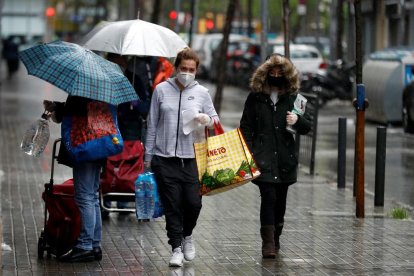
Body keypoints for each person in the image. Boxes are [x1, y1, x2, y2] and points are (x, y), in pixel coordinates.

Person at [144, 48, 219, 267]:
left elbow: (215, 120)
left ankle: (187, 235)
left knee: (194, 203)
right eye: (183, 68)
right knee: (172, 205)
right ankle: (176, 248)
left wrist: (206, 119)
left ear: (196, 70)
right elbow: (151, 125)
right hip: (164, 158)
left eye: (191, 69)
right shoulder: (161, 90)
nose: (187, 73)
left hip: (193, 158)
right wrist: (147, 158)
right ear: (176, 68)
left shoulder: (202, 92)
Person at [239, 54, 311, 258]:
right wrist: (251, 152)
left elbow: (307, 127)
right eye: (273, 73)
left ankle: (277, 236)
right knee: (268, 197)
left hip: (285, 159)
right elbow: (246, 126)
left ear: (287, 76)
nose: (276, 76)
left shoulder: (294, 98)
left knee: (280, 201)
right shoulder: (256, 96)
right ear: (266, 74)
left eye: (281, 73)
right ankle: (268, 244)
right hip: (263, 159)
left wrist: (297, 119)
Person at [43, 97, 105, 262]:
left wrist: (57, 107)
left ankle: (85, 246)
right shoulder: (102, 88)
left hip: (85, 145)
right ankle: (95, 244)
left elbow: (75, 110)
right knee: (91, 196)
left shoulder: (84, 89)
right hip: (99, 145)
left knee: (84, 197)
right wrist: (58, 106)